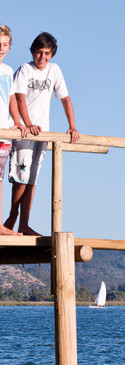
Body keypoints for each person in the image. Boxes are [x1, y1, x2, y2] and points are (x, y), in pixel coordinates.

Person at [4, 32, 80, 235]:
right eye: (39, 53)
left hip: (43, 133)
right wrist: (27, 124)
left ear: (52, 54)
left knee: (33, 178)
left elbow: (65, 99)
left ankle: (24, 224)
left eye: (47, 53)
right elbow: (19, 99)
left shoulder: (54, 71)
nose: (42, 57)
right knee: (21, 175)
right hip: (25, 132)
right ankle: (12, 218)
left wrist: (72, 126)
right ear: (33, 52)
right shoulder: (25, 69)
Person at [0, 25, 27, 235]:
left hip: (5, 131)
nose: (1, 48)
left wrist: (17, 121)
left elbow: (11, 98)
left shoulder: (8, 71)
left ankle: (0, 225)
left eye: (5, 44)